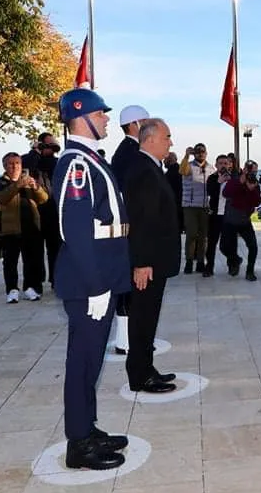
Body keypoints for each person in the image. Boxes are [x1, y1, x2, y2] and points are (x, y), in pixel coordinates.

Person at [52, 87, 130, 471]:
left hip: (102, 273)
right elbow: (76, 229)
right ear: (80, 116)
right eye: (100, 114)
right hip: (90, 280)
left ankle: (87, 427)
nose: (105, 120)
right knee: (82, 362)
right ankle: (78, 443)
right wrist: (96, 284)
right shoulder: (76, 164)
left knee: (91, 361)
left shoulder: (88, 158)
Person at [123, 118, 181, 393]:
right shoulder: (143, 170)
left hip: (156, 258)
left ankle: (146, 367)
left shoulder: (150, 167)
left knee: (149, 317)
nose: (171, 142)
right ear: (151, 139)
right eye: (167, 137)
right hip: (149, 261)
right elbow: (142, 219)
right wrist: (142, 262)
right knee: (142, 318)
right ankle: (140, 375)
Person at [109, 104, 151, 356]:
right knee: (129, 286)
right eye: (145, 121)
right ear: (134, 124)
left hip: (131, 225)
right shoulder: (131, 153)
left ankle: (130, 338)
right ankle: (125, 340)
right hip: (131, 228)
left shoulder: (129, 151)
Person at [0, 153, 48, 303]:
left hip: (31, 227)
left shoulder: (29, 181)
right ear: (4, 166)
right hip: (10, 229)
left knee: (31, 260)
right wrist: (17, 185)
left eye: (17, 163)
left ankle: (30, 287)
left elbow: (43, 199)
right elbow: (1, 198)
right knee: (10, 261)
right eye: (10, 163)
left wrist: (36, 188)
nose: (14, 166)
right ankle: (12, 289)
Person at [22, 132, 62, 292]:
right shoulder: (30, 159)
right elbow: (26, 167)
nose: (50, 148)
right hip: (35, 211)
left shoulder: (56, 162)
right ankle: (35, 283)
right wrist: (36, 151)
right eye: (47, 145)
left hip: (53, 211)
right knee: (35, 252)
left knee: (56, 249)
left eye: (52, 145)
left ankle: (57, 280)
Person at [221, 160, 261, 281]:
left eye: (254, 171)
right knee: (224, 247)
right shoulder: (235, 180)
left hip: (244, 221)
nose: (251, 173)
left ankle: (250, 271)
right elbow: (226, 193)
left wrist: (252, 189)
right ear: (244, 170)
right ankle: (235, 261)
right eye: (250, 171)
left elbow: (257, 202)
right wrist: (240, 182)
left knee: (253, 247)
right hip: (230, 220)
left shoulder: (255, 184)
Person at [178, 143, 210, 274]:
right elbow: (181, 171)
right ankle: (189, 261)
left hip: (205, 207)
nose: (200, 154)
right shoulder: (189, 166)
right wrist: (186, 155)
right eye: (198, 152)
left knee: (203, 236)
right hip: (190, 206)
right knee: (191, 234)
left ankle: (201, 261)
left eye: (202, 151)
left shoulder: (210, 168)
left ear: (206, 153)